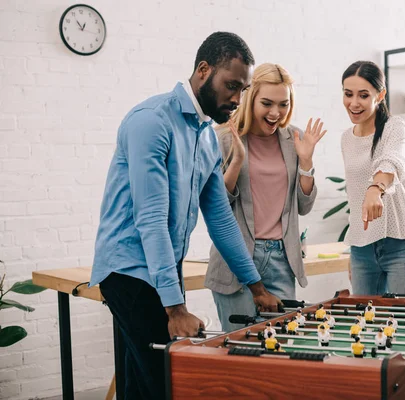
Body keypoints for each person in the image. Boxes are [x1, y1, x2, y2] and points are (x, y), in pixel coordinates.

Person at [90, 32, 281, 400]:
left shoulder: (207, 137)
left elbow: (221, 220)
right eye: (231, 86)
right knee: (167, 383)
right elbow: (150, 219)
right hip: (128, 271)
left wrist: (256, 287)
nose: (237, 100)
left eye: (243, 89)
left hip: (159, 269)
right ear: (203, 71)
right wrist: (175, 308)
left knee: (141, 384)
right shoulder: (151, 122)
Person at [205, 63, 326, 332]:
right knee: (240, 346)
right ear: (250, 98)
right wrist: (237, 162)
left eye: (283, 104)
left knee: (281, 346)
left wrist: (306, 162)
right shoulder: (222, 138)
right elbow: (217, 208)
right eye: (267, 103)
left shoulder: (294, 140)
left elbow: (304, 207)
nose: (275, 113)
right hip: (236, 259)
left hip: (281, 258)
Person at [341, 61, 405, 296]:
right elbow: (353, 195)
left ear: (381, 95)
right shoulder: (346, 139)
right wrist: (355, 245)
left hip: (402, 246)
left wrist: (375, 188)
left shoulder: (395, 127)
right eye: (348, 94)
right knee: (367, 326)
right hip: (362, 251)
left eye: (363, 95)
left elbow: (393, 160)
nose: (354, 103)